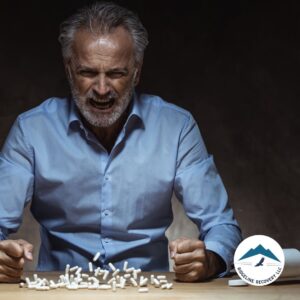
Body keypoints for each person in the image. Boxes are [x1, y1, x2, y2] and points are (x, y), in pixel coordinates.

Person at [0, 1, 242, 283]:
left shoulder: (177, 127)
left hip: (149, 292)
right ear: (69, 70)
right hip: (59, 291)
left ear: (136, 72)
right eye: (88, 72)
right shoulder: (31, 130)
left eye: (116, 73)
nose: (102, 89)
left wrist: (210, 259)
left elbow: (222, 226)